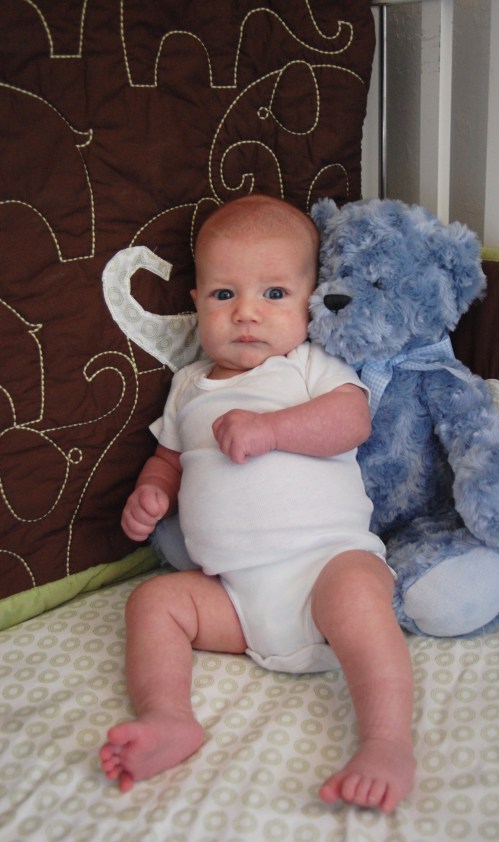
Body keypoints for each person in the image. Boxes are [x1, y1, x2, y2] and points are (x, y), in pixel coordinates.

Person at [99, 195, 415, 812]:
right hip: (236, 600)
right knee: (155, 602)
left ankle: (387, 742)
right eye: (224, 295)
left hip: (326, 566)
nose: (246, 313)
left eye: (274, 294)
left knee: (358, 597)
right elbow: (168, 459)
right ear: (196, 302)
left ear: (308, 301)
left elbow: (351, 422)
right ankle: (168, 717)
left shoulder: (308, 365)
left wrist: (271, 430)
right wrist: (152, 492)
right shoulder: (187, 387)